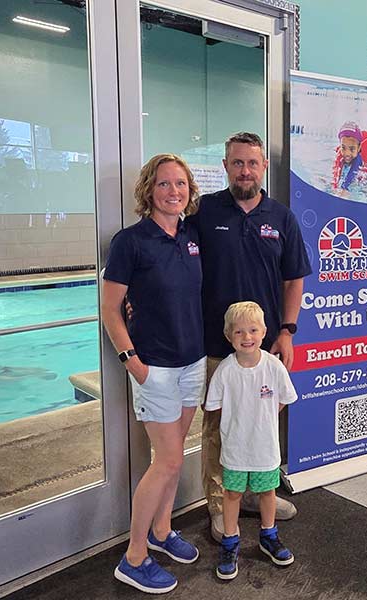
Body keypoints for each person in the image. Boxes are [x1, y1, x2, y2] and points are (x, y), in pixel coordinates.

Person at [187, 132, 311, 542]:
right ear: (225, 167)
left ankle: (260, 496)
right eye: (237, 163)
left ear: (264, 168)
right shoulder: (203, 212)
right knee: (218, 429)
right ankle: (222, 511)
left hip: (266, 350)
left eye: (252, 163)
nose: (245, 170)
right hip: (215, 348)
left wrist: (287, 332)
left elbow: (294, 280)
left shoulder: (281, 217)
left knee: (263, 426)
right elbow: (175, 261)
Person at [102, 154, 205, 594]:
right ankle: (134, 556)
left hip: (192, 362)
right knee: (167, 461)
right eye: (164, 184)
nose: (173, 191)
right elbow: (110, 308)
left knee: (173, 453)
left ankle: (162, 531)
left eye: (180, 184)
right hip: (155, 370)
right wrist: (133, 363)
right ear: (149, 190)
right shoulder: (130, 242)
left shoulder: (190, 236)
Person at [205, 301, 297, 580]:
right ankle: (230, 541)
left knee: (267, 493)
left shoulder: (274, 366)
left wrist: (262, 418)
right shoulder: (225, 371)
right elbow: (215, 406)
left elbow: (283, 399)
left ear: (264, 331)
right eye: (239, 332)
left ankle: (268, 537)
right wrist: (239, 422)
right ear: (228, 336)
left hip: (265, 448)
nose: (247, 337)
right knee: (231, 494)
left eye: (253, 330)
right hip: (235, 449)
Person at [331, 121, 363, 192]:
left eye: (352, 149)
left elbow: (351, 176)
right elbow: (336, 174)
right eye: (343, 147)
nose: (347, 153)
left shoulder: (358, 160)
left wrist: (344, 188)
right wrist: (334, 186)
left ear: (359, 147)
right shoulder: (339, 154)